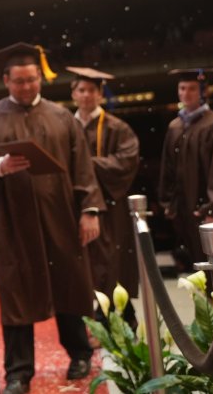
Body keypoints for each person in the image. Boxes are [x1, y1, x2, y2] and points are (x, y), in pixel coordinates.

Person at [0, 43, 105, 394]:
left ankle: (79, 354)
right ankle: (18, 372)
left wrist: (89, 210)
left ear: (40, 79)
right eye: (19, 81)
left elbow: (82, 166)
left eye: (32, 80)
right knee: (17, 292)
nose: (26, 87)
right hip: (12, 221)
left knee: (69, 284)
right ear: (6, 80)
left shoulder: (61, 116)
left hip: (59, 216)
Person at [67, 66, 140, 327]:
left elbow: (126, 162)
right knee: (83, 263)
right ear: (73, 94)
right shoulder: (65, 125)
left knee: (110, 261)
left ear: (100, 95)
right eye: (81, 90)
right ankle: (108, 313)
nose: (86, 95)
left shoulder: (117, 127)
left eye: (91, 91)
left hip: (110, 205)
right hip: (74, 206)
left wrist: (86, 165)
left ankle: (115, 315)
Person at [157, 68, 213, 269]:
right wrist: (170, 203)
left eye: (192, 88)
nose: (186, 93)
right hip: (185, 210)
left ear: (203, 92)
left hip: (209, 211)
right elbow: (168, 169)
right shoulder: (175, 126)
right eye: (182, 88)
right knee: (197, 266)